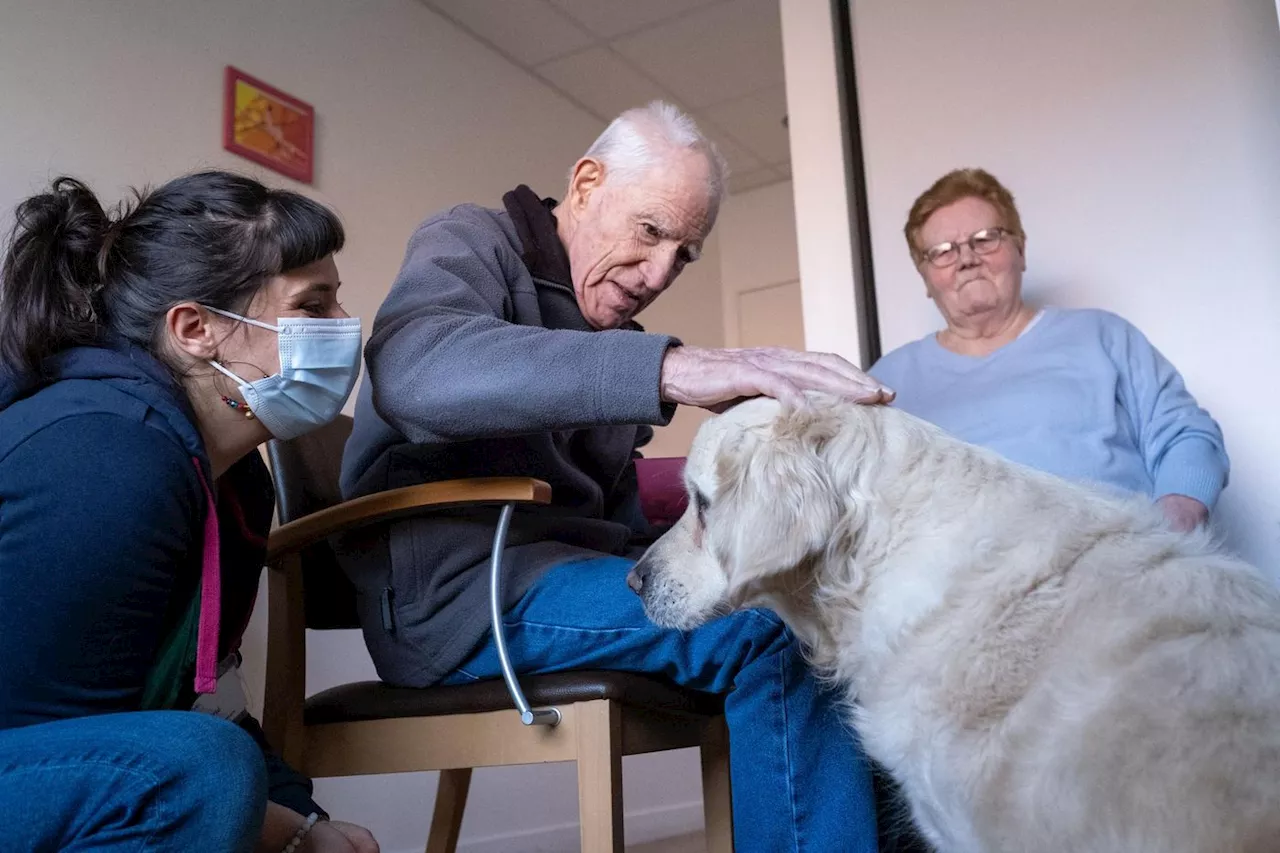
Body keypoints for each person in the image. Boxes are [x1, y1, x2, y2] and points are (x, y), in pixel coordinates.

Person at [339, 101, 892, 851]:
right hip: (466, 596)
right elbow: (416, 371)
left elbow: (622, 523)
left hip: (561, 578)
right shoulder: (471, 239)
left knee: (819, 600)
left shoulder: (610, 339)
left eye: (683, 254)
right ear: (588, 182)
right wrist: (670, 366)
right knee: (773, 629)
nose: (661, 272)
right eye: (652, 231)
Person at [0, 172, 378, 853]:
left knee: (221, 766)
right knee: (205, 771)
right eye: (312, 306)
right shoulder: (107, 456)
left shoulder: (236, 486)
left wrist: (314, 824)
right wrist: (291, 838)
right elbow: (67, 744)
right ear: (196, 328)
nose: (343, 331)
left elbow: (211, 694)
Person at [870, 168, 1228, 531]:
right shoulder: (884, 384)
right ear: (926, 278)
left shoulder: (1101, 335)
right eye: (943, 252)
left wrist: (1172, 529)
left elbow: (1186, 434)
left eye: (984, 239)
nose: (966, 259)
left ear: (1020, 251)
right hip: (956, 577)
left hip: (1110, 560)